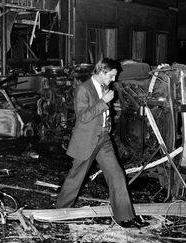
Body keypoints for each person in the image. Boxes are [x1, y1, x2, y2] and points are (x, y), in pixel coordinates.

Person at [55, 58, 149, 228]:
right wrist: (103, 102)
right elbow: (83, 117)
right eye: (111, 76)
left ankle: (125, 216)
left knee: (117, 175)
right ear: (102, 72)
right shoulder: (83, 89)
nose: (113, 79)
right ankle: (60, 212)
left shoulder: (105, 87)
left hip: (104, 138)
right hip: (87, 140)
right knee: (76, 178)